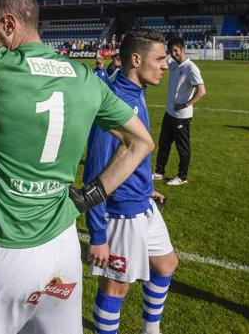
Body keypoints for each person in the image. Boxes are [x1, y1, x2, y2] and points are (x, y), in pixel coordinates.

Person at [0, 0, 154, 334]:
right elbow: (141, 142)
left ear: (9, 24)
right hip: (63, 248)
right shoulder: (86, 79)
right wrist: (91, 195)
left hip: (5, 252)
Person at [84, 30, 178, 334]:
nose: (165, 65)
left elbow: (131, 155)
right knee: (115, 290)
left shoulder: (135, 92)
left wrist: (147, 187)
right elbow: (95, 171)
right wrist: (98, 233)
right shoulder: (115, 104)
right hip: (121, 214)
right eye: (160, 59)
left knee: (166, 265)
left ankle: (151, 330)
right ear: (136, 60)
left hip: (143, 203)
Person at [153, 36, 206, 185]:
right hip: (169, 112)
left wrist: (185, 104)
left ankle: (182, 176)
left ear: (183, 49)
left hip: (182, 116)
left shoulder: (191, 68)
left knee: (182, 148)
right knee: (164, 143)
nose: (174, 54)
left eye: (176, 51)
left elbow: (201, 91)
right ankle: (159, 172)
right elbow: (162, 62)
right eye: (171, 51)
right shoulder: (173, 63)